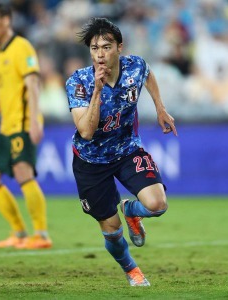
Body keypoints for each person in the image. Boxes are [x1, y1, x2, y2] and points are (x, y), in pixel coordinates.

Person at [65, 18, 177, 286]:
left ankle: (131, 211)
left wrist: (160, 108)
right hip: (91, 162)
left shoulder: (134, 66)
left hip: (127, 150)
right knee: (112, 231)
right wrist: (98, 92)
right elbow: (86, 132)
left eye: (106, 47)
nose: (100, 54)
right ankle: (132, 270)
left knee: (158, 204)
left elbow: (148, 73)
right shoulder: (79, 82)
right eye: (94, 48)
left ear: (119, 48)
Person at [0, 3, 51, 250]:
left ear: (6, 20)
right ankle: (19, 233)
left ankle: (41, 234)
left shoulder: (22, 47)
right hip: (5, 127)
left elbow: (33, 85)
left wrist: (34, 121)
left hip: (23, 124)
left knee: (23, 173)